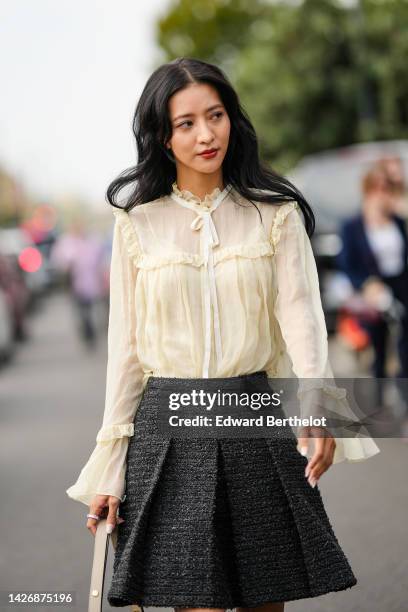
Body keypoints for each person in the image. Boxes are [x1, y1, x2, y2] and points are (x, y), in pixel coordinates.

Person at [66, 57, 380, 611]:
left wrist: (317, 407)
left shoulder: (274, 213)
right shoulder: (136, 222)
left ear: (233, 119)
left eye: (215, 115)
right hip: (170, 429)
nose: (206, 134)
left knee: (266, 601)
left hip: (254, 421)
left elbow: (302, 318)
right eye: (185, 123)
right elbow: (127, 353)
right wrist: (110, 466)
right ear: (162, 137)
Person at [337, 163, 408, 414]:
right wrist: (367, 284)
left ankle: (403, 401)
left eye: (386, 188)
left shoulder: (398, 221)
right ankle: (378, 399)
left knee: (404, 347)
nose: (382, 193)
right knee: (379, 347)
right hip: (372, 292)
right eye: (376, 188)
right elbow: (346, 263)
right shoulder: (353, 226)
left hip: (400, 287)